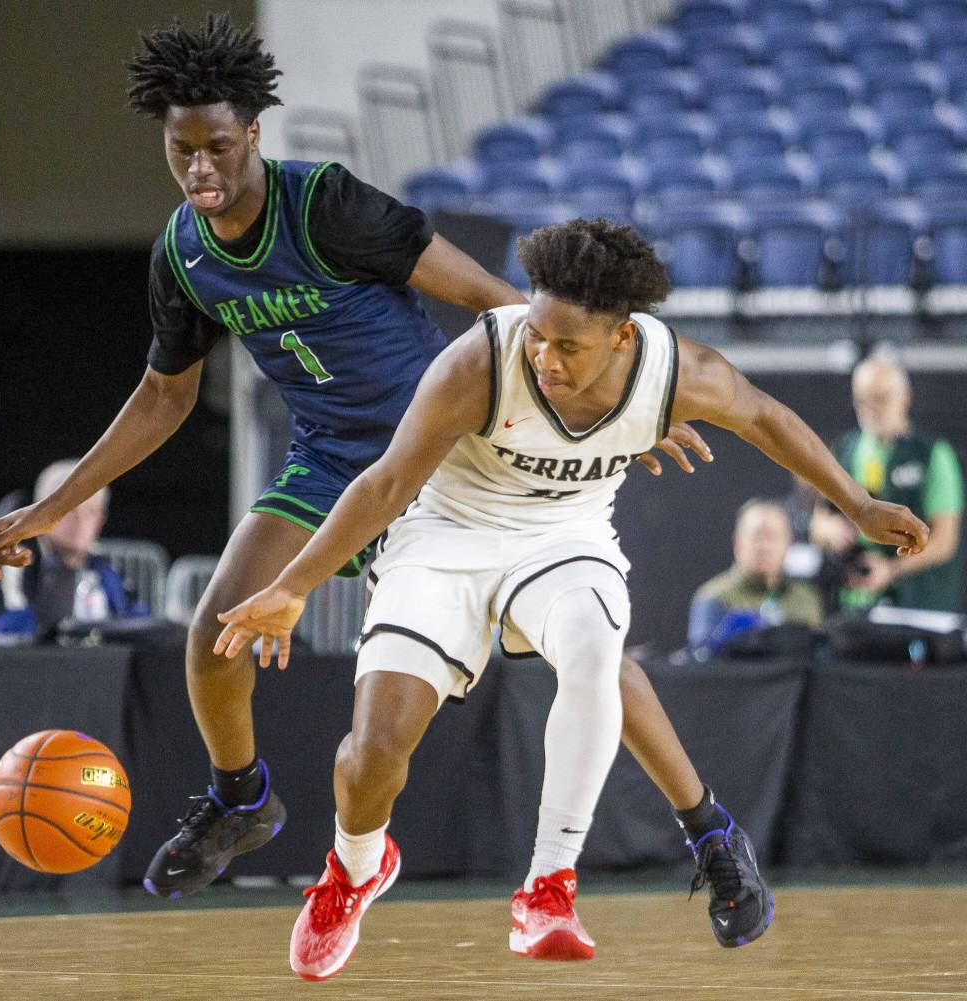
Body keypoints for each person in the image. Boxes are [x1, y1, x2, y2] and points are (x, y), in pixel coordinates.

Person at [0, 14, 710, 904]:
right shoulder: (183, 253)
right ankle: (239, 799)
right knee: (217, 629)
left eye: (216, 147)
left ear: (252, 134)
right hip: (325, 459)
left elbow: (490, 300)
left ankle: (708, 827)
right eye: (181, 153)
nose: (199, 169)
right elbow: (164, 399)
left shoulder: (323, 202)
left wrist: (612, 390)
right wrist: (52, 509)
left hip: (442, 459)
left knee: (584, 654)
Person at [213, 218, 928, 980]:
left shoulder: (674, 371)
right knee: (372, 756)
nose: (545, 358)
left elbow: (766, 417)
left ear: (623, 336)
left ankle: (549, 885)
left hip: (564, 535)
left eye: (567, 347)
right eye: (537, 336)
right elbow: (386, 484)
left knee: (594, 654)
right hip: (448, 531)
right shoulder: (481, 362)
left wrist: (857, 505)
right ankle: (354, 866)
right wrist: (292, 586)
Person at [810, 354, 963, 612]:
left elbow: (944, 540)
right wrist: (831, 530)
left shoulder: (932, 454)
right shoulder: (846, 449)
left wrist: (891, 569)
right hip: (856, 603)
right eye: (862, 401)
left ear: (904, 396)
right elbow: (818, 522)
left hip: (918, 603)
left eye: (880, 398)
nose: (871, 408)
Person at [0, 460, 146, 636]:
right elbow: (4, 630)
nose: (80, 521)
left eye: (90, 511)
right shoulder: (11, 560)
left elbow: (139, 624)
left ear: (101, 520)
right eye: (69, 511)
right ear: (39, 515)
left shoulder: (104, 568)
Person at [688, 498, 823, 655]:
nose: (764, 546)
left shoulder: (807, 599)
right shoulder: (713, 597)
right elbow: (699, 663)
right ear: (737, 543)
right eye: (756, 536)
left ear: (788, 543)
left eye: (772, 537)